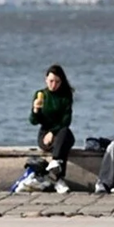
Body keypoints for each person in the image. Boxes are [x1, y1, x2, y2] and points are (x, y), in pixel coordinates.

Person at [27, 64, 76, 193]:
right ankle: (59, 179)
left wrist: (53, 132)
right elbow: (33, 121)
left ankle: (55, 162)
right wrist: (36, 109)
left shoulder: (66, 96)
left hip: (61, 132)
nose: (53, 85)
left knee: (64, 135)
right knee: (63, 145)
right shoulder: (41, 94)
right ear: (46, 80)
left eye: (57, 82)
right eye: (51, 81)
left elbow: (66, 120)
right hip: (44, 134)